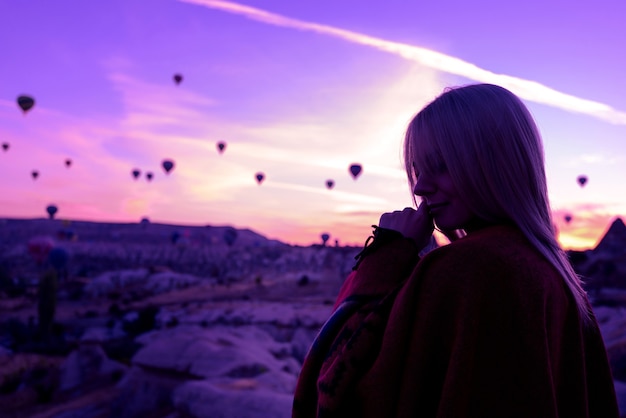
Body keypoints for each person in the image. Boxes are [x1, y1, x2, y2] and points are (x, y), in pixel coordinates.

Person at [292, 84, 619, 418]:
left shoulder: (465, 268)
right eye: (418, 169)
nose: (419, 187)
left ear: (495, 164)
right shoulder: (554, 274)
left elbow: (333, 391)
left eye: (441, 165)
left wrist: (384, 258)